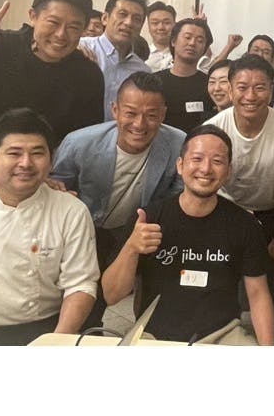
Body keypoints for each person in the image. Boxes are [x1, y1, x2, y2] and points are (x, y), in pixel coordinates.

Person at [102, 125, 274, 345]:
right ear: (180, 165)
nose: (206, 168)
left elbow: (258, 294)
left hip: (223, 333)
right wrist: (131, 248)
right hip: (155, 335)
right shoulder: (148, 219)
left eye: (217, 161)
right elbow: (112, 295)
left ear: (228, 171)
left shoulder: (244, 225)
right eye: (197, 159)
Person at [0, 108, 99, 345]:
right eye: (14, 153)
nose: (26, 163)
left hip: (39, 330)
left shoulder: (71, 211)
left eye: (37, 153)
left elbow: (81, 284)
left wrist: (56, 343)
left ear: (51, 160)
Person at [50, 72, 186, 328]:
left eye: (151, 115)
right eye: (130, 113)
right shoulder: (80, 143)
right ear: (115, 110)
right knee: (84, 294)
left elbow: (176, 195)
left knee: (125, 292)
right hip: (87, 228)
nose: (140, 124)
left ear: (163, 114)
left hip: (136, 227)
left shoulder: (178, 143)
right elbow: (56, 187)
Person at [0, 0, 104, 185]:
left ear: (84, 29)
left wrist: (54, 178)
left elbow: (81, 143)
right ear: (33, 16)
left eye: (73, 27)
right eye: (53, 22)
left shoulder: (87, 76)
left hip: (32, 186)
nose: (61, 34)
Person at [203, 54, 274, 342]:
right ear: (230, 89)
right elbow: (206, 183)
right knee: (219, 282)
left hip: (271, 212)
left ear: (271, 91)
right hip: (224, 209)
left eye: (260, 87)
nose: (250, 96)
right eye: (242, 87)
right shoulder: (214, 130)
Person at [79, 0, 151, 120]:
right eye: (122, 14)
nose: (128, 23)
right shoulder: (81, 48)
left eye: (136, 19)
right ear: (105, 18)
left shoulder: (143, 71)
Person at [154, 18, 214, 133]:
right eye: (187, 37)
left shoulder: (210, 85)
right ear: (173, 41)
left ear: (205, 49)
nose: (192, 43)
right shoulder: (155, 81)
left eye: (200, 40)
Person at [145, 1, 177, 72]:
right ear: (148, 26)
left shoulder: (182, 54)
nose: (161, 27)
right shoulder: (142, 56)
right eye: (155, 23)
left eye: (166, 23)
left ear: (175, 24)